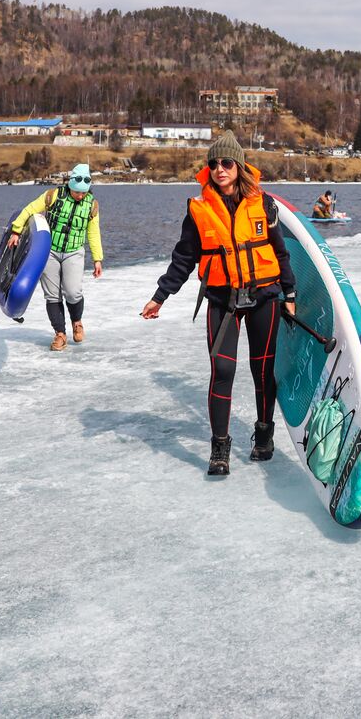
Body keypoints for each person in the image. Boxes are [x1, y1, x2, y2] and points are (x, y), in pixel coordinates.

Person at [140, 131, 297, 476]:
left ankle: (264, 434)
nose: (219, 169)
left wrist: (291, 295)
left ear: (239, 166)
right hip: (221, 300)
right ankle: (220, 447)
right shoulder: (197, 210)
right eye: (213, 164)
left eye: (226, 163)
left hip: (264, 297)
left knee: (262, 370)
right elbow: (183, 259)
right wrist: (160, 296)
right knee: (222, 371)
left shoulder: (264, 204)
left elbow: (281, 253)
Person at [7, 162, 103, 351]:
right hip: (49, 251)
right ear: (70, 185)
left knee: (73, 291)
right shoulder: (53, 195)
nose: (80, 195)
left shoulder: (91, 205)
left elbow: (94, 233)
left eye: (84, 192)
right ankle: (60, 334)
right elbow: (29, 210)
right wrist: (16, 231)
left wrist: (97, 259)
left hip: (74, 252)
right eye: (77, 192)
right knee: (52, 295)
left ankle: (77, 322)